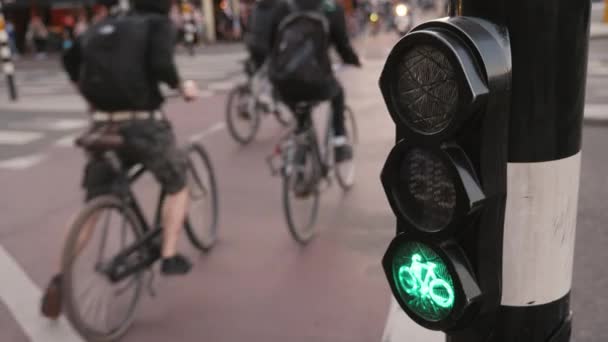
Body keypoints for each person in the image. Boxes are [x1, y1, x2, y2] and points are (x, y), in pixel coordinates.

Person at [40, 0, 199, 319]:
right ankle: (168, 255)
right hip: (143, 125)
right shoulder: (157, 25)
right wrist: (182, 86)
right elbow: (162, 65)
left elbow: (70, 56)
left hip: (102, 128)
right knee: (178, 183)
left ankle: (59, 276)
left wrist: (83, 91)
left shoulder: (102, 25)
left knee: (94, 205)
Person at [268, 0, 361, 164]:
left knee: (301, 113)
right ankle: (339, 142)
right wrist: (353, 60)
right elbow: (342, 45)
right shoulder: (331, 8)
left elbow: (271, 43)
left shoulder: (283, 7)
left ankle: (300, 160)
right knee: (338, 93)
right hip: (317, 81)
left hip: (283, 82)